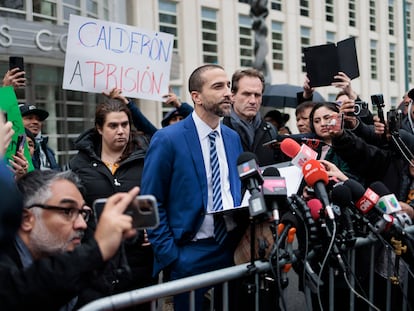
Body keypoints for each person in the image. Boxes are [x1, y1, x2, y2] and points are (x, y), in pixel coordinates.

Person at [141, 64, 244, 311]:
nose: (228, 92)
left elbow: (236, 188)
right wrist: (171, 256)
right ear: (196, 97)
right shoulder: (168, 139)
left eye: (228, 85)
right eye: (218, 86)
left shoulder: (232, 137)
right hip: (188, 252)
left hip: (231, 248)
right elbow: (150, 202)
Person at [0, 169, 140, 310]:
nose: (82, 224)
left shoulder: (81, 276)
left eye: (83, 213)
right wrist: (98, 249)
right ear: (26, 219)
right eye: (67, 211)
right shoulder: (5, 266)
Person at [69, 98, 156, 310]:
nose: (121, 131)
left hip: (138, 263)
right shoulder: (79, 164)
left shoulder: (147, 158)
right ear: (99, 128)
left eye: (125, 125)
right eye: (113, 125)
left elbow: (159, 199)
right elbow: (74, 207)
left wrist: (154, 230)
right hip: (96, 260)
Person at [222, 68, 287, 166]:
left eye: (257, 95)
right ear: (232, 96)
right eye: (246, 94)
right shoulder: (219, 131)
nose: (253, 101)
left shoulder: (270, 131)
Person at [19, 103, 60, 171]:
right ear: (17, 121)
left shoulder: (47, 150)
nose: (36, 122)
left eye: (38, 119)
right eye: (29, 118)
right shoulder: (11, 148)